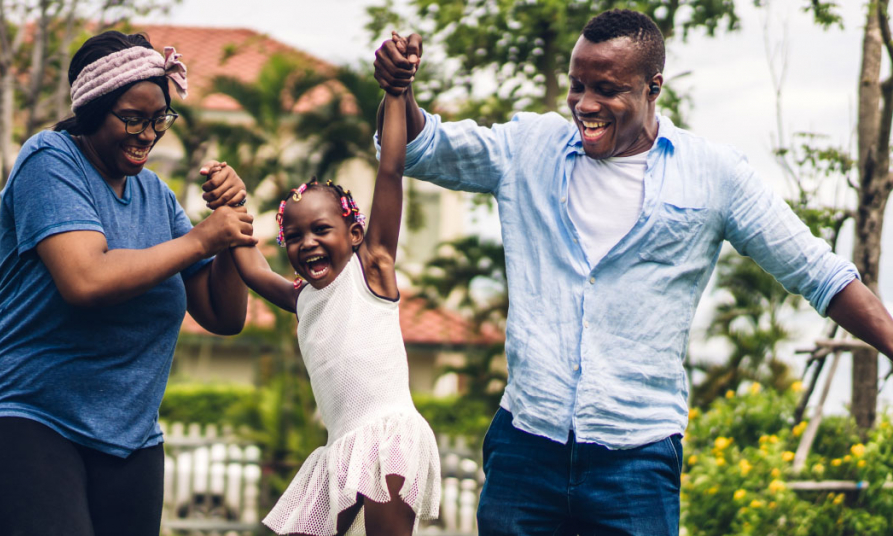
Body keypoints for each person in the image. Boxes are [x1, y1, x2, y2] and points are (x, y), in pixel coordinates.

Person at [373, 9, 893, 536]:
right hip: (524, 448)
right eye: (577, 86)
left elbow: (820, 274)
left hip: (636, 463)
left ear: (653, 87)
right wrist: (400, 91)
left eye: (607, 89)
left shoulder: (714, 176)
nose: (586, 105)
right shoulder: (529, 148)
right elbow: (422, 148)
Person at [0, 31, 255, 536]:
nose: (147, 134)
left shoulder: (156, 196)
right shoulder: (49, 160)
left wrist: (229, 225)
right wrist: (202, 240)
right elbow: (85, 279)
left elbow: (223, 316)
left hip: (129, 436)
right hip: (23, 411)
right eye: (132, 118)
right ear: (93, 109)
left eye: (159, 120)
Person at [222, 39, 440, 535]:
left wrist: (396, 93)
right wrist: (230, 208)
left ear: (355, 234)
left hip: (387, 437)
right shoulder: (303, 298)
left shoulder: (373, 269)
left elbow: (390, 168)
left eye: (322, 230)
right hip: (341, 447)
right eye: (294, 236)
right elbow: (254, 270)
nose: (308, 243)